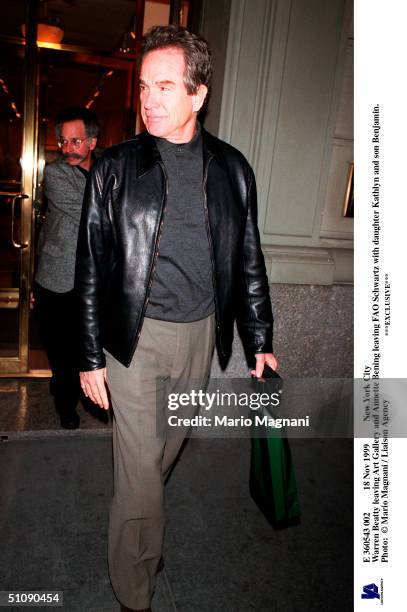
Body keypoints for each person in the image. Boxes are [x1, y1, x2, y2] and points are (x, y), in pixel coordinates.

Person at [75, 25, 278, 612]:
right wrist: (90, 355)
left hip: (200, 339)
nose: (149, 99)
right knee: (141, 471)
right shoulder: (114, 167)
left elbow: (249, 259)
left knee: (160, 458)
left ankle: (135, 532)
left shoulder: (234, 170)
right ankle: (134, 590)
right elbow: (92, 265)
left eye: (165, 86)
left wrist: (260, 337)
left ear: (198, 94)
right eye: (144, 86)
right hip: (134, 340)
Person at [34, 107, 99, 429]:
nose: (69, 148)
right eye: (63, 141)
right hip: (55, 278)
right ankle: (65, 404)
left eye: (76, 141)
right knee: (61, 352)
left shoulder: (107, 170)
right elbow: (89, 211)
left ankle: (70, 387)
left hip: (93, 281)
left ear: (92, 141)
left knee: (82, 350)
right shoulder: (56, 173)